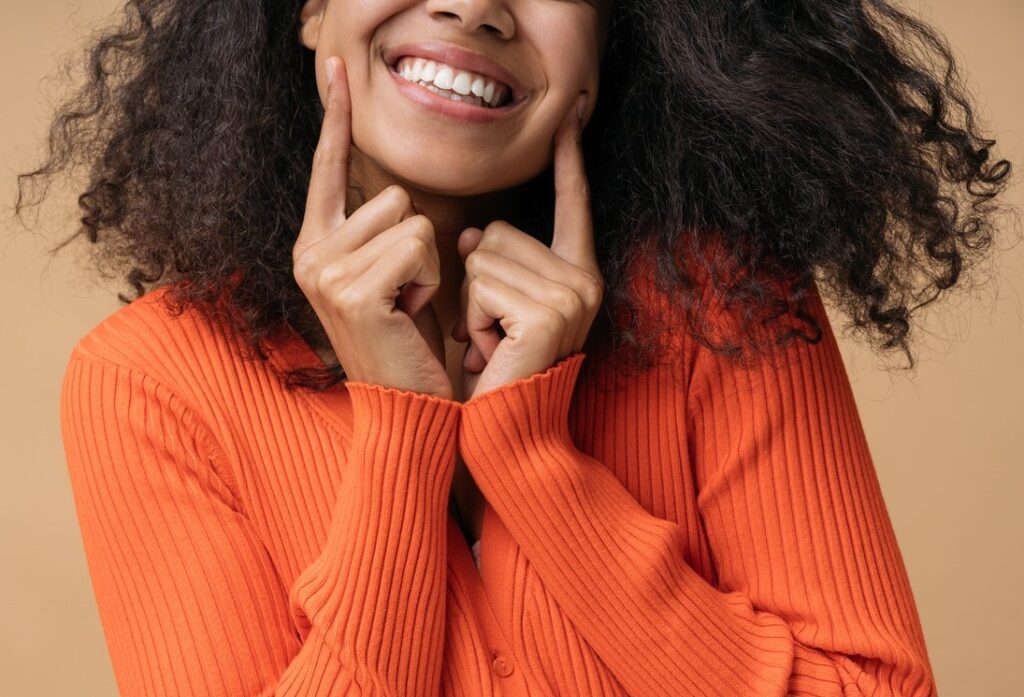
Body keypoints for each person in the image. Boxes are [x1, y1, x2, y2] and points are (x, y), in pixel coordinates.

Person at [19, 0, 1014, 695]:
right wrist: (403, 434)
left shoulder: (722, 307)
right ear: (309, 8)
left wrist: (535, 462)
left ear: (604, 59)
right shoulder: (149, 380)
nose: (474, 6)